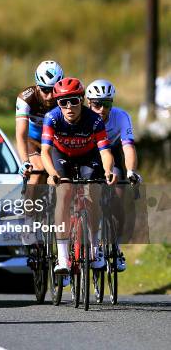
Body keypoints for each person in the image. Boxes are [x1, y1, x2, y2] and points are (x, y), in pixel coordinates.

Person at [40, 77, 117, 274]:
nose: (68, 106)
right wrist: (52, 173)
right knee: (64, 194)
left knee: (92, 193)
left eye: (73, 100)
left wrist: (108, 171)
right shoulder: (52, 118)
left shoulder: (94, 119)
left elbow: (105, 152)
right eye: (62, 102)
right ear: (57, 103)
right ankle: (63, 257)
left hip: (88, 157)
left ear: (81, 100)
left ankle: (94, 248)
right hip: (61, 156)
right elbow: (45, 152)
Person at [86, 79, 141, 271]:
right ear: (88, 103)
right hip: (89, 156)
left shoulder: (121, 117)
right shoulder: (82, 117)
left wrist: (131, 171)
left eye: (106, 104)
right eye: (97, 104)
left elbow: (128, 147)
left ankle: (115, 247)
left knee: (118, 198)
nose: (101, 109)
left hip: (114, 154)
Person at [15, 60, 64, 183]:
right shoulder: (26, 98)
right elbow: (21, 135)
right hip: (32, 140)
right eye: (45, 90)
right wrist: (25, 162)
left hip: (54, 141)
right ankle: (30, 202)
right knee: (38, 170)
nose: (50, 96)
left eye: (53, 90)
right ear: (37, 86)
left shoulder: (65, 98)